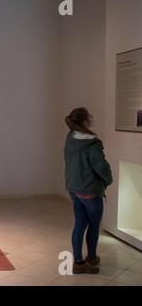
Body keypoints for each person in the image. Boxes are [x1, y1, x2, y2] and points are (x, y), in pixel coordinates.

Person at [64, 108, 113, 274]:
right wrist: (108, 181)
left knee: (79, 224)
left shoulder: (70, 138)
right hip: (90, 192)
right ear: (85, 121)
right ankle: (91, 258)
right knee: (93, 226)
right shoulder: (91, 144)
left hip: (73, 189)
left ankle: (78, 262)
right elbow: (102, 168)